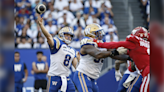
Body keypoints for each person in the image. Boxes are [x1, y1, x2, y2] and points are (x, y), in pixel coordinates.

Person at [94, 26, 150, 92]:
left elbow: (114, 44)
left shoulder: (135, 44)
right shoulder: (148, 44)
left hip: (144, 72)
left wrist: (98, 43)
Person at [36, 13, 79, 92]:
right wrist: (41, 26)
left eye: (70, 36)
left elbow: (77, 66)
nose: (68, 37)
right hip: (54, 76)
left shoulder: (72, 50)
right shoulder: (58, 42)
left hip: (66, 77)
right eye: (66, 35)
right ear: (61, 35)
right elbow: (49, 37)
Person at [73, 23, 119, 92]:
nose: (100, 35)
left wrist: (129, 56)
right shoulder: (87, 43)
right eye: (97, 33)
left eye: (100, 33)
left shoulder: (100, 43)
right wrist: (113, 52)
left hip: (93, 78)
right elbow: (97, 54)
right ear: (90, 34)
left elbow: (116, 55)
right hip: (83, 75)